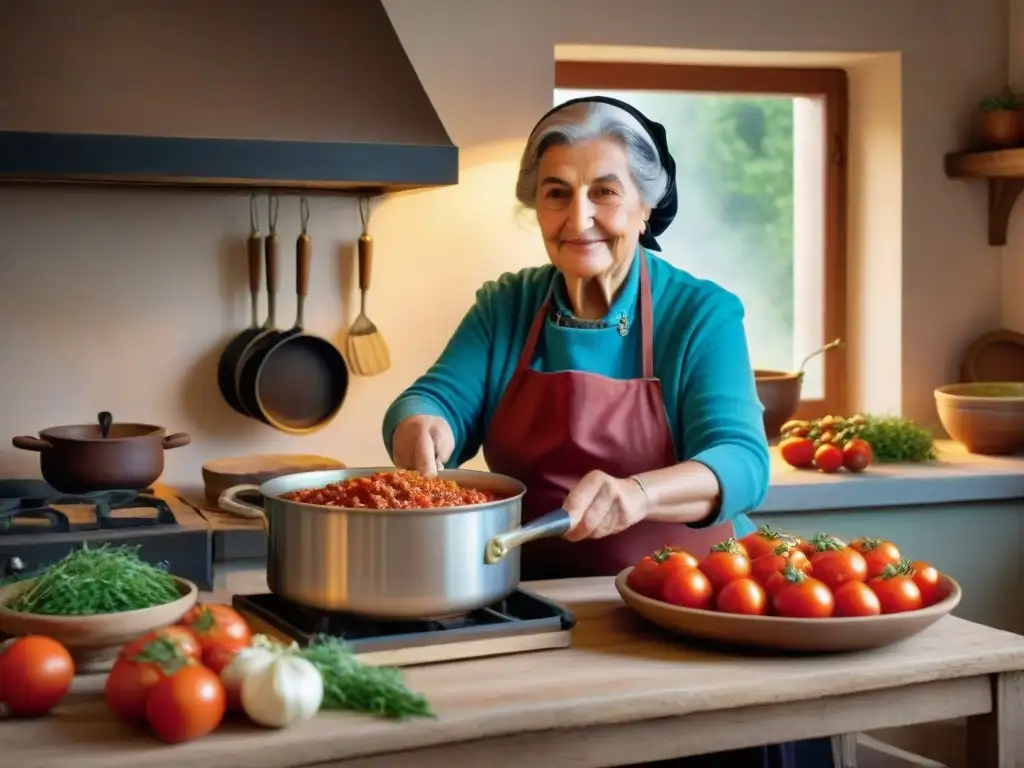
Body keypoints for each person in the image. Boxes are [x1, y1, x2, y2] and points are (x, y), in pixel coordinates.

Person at [382, 96, 835, 768]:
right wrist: (422, 428)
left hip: (686, 610)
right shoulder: (507, 306)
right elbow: (431, 398)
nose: (578, 218)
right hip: (534, 614)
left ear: (647, 204)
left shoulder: (699, 312)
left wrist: (639, 496)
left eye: (604, 192)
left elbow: (741, 461)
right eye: (556, 194)